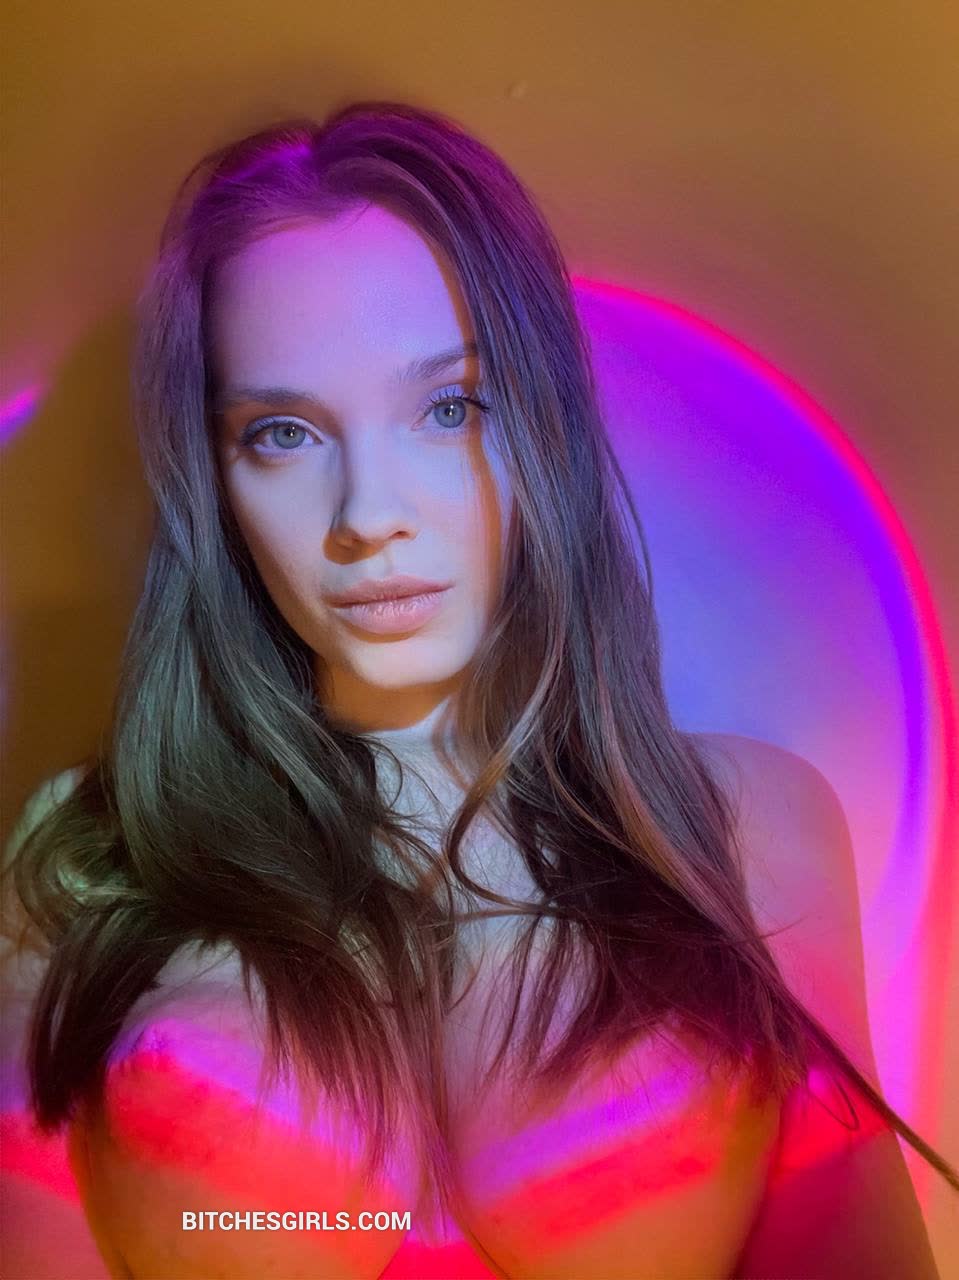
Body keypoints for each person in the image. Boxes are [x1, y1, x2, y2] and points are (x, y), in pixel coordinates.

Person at [2, 99, 953, 1279]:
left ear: (543, 423)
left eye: (448, 408)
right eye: (284, 433)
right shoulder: (81, 857)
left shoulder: (753, 825)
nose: (366, 516)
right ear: (216, 478)